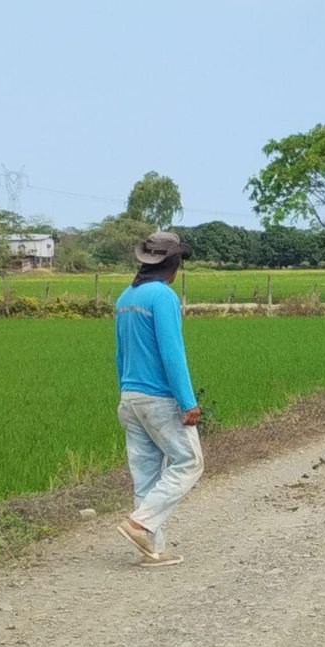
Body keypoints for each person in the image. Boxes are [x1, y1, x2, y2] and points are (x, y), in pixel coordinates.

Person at [114, 231, 203, 568]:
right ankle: (139, 524)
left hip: (130, 397)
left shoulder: (125, 297)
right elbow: (172, 352)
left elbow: (120, 354)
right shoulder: (163, 296)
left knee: (146, 476)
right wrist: (187, 400)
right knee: (189, 462)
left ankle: (151, 550)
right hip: (158, 398)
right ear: (173, 264)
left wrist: (125, 393)